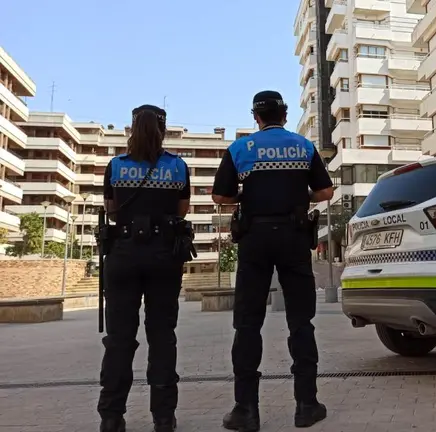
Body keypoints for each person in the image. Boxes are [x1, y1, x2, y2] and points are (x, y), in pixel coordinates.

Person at [212, 91, 334, 431]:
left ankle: (246, 410)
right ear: (284, 114)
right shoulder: (303, 146)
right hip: (294, 237)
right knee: (301, 322)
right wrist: (301, 195)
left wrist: (245, 195)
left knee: (247, 323)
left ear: (256, 118)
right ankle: (307, 406)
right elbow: (325, 192)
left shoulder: (240, 149)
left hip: (254, 239)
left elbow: (220, 195)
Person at [97, 104, 192, 432]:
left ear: (132, 129)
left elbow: (111, 211)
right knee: (162, 336)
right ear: (163, 131)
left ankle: (111, 417)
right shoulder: (178, 167)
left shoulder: (116, 166)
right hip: (164, 256)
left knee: (119, 339)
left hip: (122, 255)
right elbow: (182, 210)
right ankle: (164, 418)